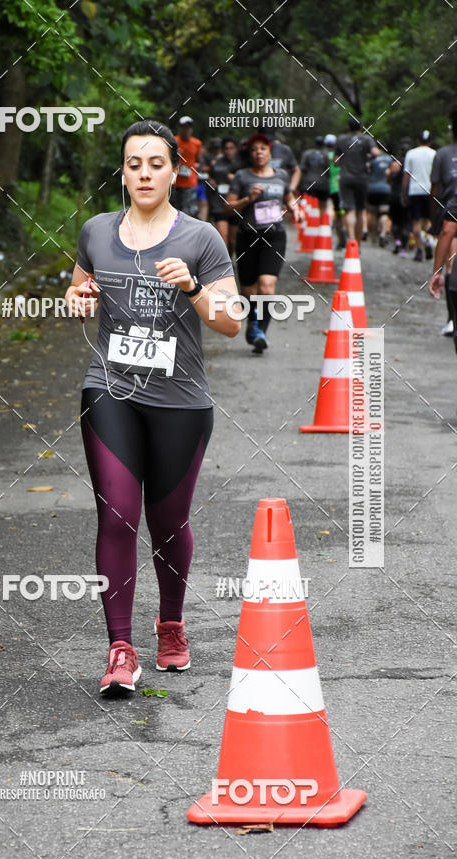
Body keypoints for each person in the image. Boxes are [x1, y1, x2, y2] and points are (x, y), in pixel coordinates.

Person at [65, 120, 241, 695]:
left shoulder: (201, 239)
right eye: (134, 163)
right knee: (116, 513)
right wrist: (76, 296)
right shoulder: (95, 230)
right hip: (110, 389)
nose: (144, 172)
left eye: (155, 164)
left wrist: (192, 288)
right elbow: (78, 286)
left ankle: (171, 625)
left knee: (168, 523)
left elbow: (232, 323)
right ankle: (120, 648)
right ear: (123, 172)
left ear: (174, 171)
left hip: (180, 402)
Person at [227, 132, 302, 353]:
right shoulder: (241, 176)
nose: (258, 153)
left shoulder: (281, 175)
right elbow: (227, 206)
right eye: (254, 149)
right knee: (248, 290)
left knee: (267, 286)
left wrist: (296, 210)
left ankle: (260, 331)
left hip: (274, 236)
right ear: (249, 154)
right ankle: (253, 323)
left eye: (262, 149)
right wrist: (247, 199)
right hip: (247, 236)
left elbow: (288, 197)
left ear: (270, 152)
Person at [430, 107, 457, 334]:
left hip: (451, 214)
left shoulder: (443, 153)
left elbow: (435, 188)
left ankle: (452, 318)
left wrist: (435, 271)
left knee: (452, 263)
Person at [335, 117, 381, 242]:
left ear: (348, 127)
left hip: (345, 177)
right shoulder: (366, 139)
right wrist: (368, 159)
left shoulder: (341, 140)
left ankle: (350, 239)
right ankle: (358, 242)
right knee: (360, 211)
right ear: (361, 127)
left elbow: (335, 161)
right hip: (362, 178)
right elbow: (376, 153)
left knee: (349, 209)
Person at [402, 131, 435, 261]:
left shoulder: (411, 153)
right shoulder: (434, 154)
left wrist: (403, 192)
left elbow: (406, 174)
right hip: (429, 190)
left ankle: (419, 250)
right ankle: (428, 240)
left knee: (416, 221)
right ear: (430, 141)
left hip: (415, 190)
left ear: (417, 140)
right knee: (427, 220)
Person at [207, 136, 239, 254]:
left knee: (232, 241)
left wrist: (235, 179)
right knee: (222, 239)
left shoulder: (241, 164)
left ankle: (231, 261)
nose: (228, 151)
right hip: (219, 205)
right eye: (226, 148)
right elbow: (209, 174)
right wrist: (211, 179)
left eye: (231, 148)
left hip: (235, 207)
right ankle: (226, 267)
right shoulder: (216, 162)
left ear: (236, 149)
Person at [172, 116, 203, 218]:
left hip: (190, 181)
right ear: (179, 128)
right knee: (173, 209)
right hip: (174, 182)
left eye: (188, 127)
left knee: (187, 210)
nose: (186, 130)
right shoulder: (173, 141)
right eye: (183, 127)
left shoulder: (197, 143)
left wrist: (198, 168)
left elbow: (199, 159)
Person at [387, 140, 411, 256]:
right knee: (406, 222)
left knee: (395, 221)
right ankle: (403, 248)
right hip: (407, 196)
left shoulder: (395, 163)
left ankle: (397, 241)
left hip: (394, 196)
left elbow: (389, 179)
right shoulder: (411, 163)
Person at [366, 143, 393, 245]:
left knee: (371, 213)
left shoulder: (373, 160)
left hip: (372, 188)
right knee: (384, 213)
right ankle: (383, 233)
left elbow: (367, 171)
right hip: (385, 189)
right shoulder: (390, 159)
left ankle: (372, 236)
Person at [299, 136, 330, 212]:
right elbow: (329, 169)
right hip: (323, 183)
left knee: (309, 203)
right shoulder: (327, 154)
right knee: (322, 204)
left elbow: (302, 169)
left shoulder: (307, 153)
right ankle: (321, 221)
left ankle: (309, 221)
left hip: (309, 182)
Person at [324, 134, 344, 248]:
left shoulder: (326, 155)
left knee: (332, 210)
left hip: (330, 187)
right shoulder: (341, 156)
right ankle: (342, 234)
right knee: (341, 213)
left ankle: (332, 232)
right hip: (341, 188)